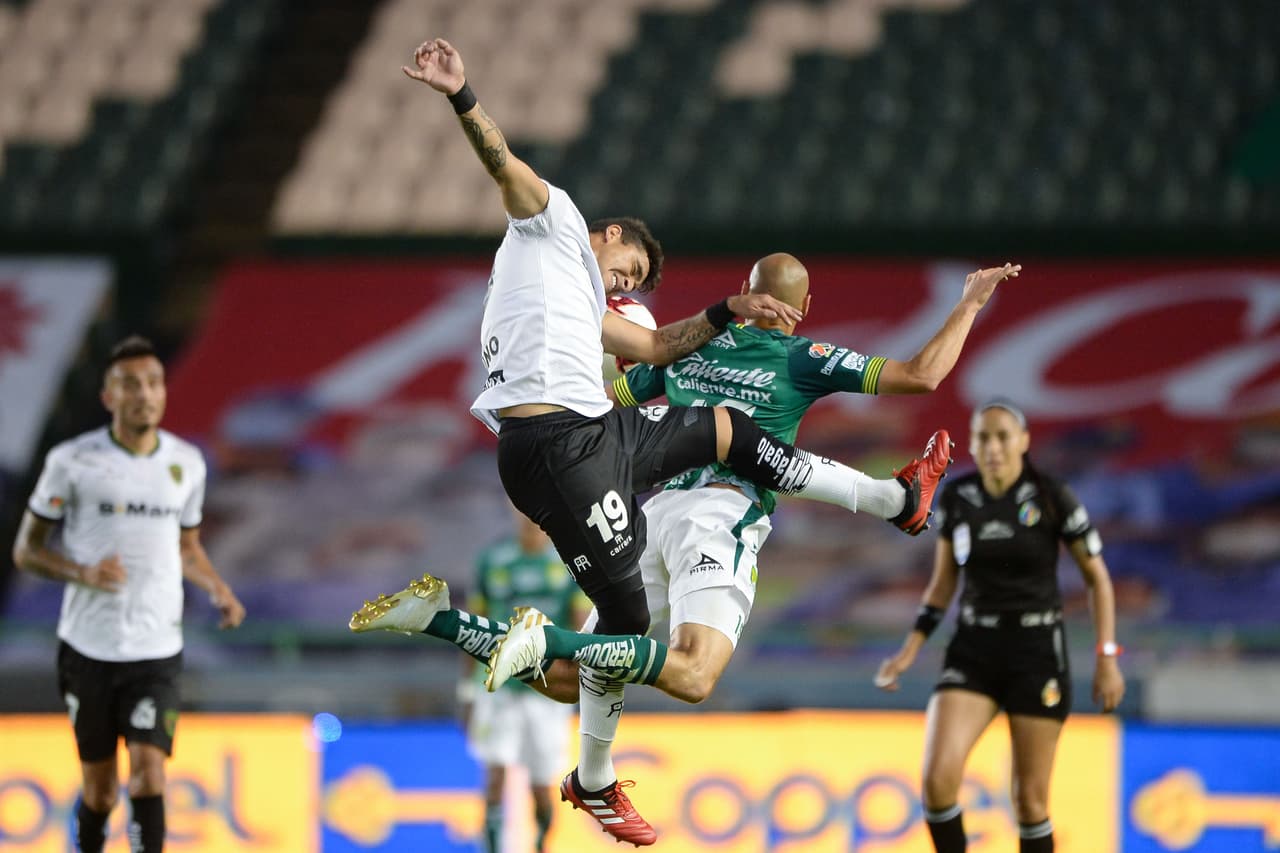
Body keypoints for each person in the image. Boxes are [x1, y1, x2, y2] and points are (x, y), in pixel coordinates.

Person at [386, 37, 952, 845]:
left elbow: (655, 346)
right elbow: (502, 163)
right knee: (651, 634)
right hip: (566, 442)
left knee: (604, 642)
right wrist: (461, 93)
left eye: (634, 282)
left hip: (568, 445)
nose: (625, 283)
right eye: (627, 267)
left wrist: (726, 310)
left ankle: (456, 633)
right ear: (609, 232)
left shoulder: (586, 305)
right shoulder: (556, 224)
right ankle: (893, 500)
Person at [353, 248, 1020, 842]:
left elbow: (604, 401)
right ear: (804, 306)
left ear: (747, 292)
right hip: (720, 515)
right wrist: (967, 305)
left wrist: (575, 365)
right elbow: (922, 375)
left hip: (649, 515)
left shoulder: (687, 348)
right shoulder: (803, 357)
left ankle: (446, 624)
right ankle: (894, 502)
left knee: (571, 680)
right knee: (694, 674)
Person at [10, 335, 246, 853]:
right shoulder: (72, 461)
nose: (145, 394)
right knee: (100, 790)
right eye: (131, 384)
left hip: (156, 649)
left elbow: (187, 547)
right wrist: (82, 572)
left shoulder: (187, 463)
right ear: (109, 396)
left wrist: (218, 588)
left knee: (148, 774)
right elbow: (26, 551)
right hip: (89, 650)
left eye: (154, 383)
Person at [874, 398, 1126, 853]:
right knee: (937, 783)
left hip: (1036, 653)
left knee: (1029, 802)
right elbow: (942, 585)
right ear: (972, 444)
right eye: (983, 437)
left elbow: (1098, 580)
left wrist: (1107, 657)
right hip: (974, 649)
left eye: (1003, 436)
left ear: (1024, 441)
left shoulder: (1052, 496)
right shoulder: (958, 498)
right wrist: (909, 650)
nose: (993, 447)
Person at [461, 511, 591, 853]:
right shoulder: (493, 560)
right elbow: (475, 624)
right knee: (495, 775)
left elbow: (580, 628)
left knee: (541, 786)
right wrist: (467, 690)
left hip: (547, 692)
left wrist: (579, 684)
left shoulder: (569, 562)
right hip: (498, 685)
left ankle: (540, 843)